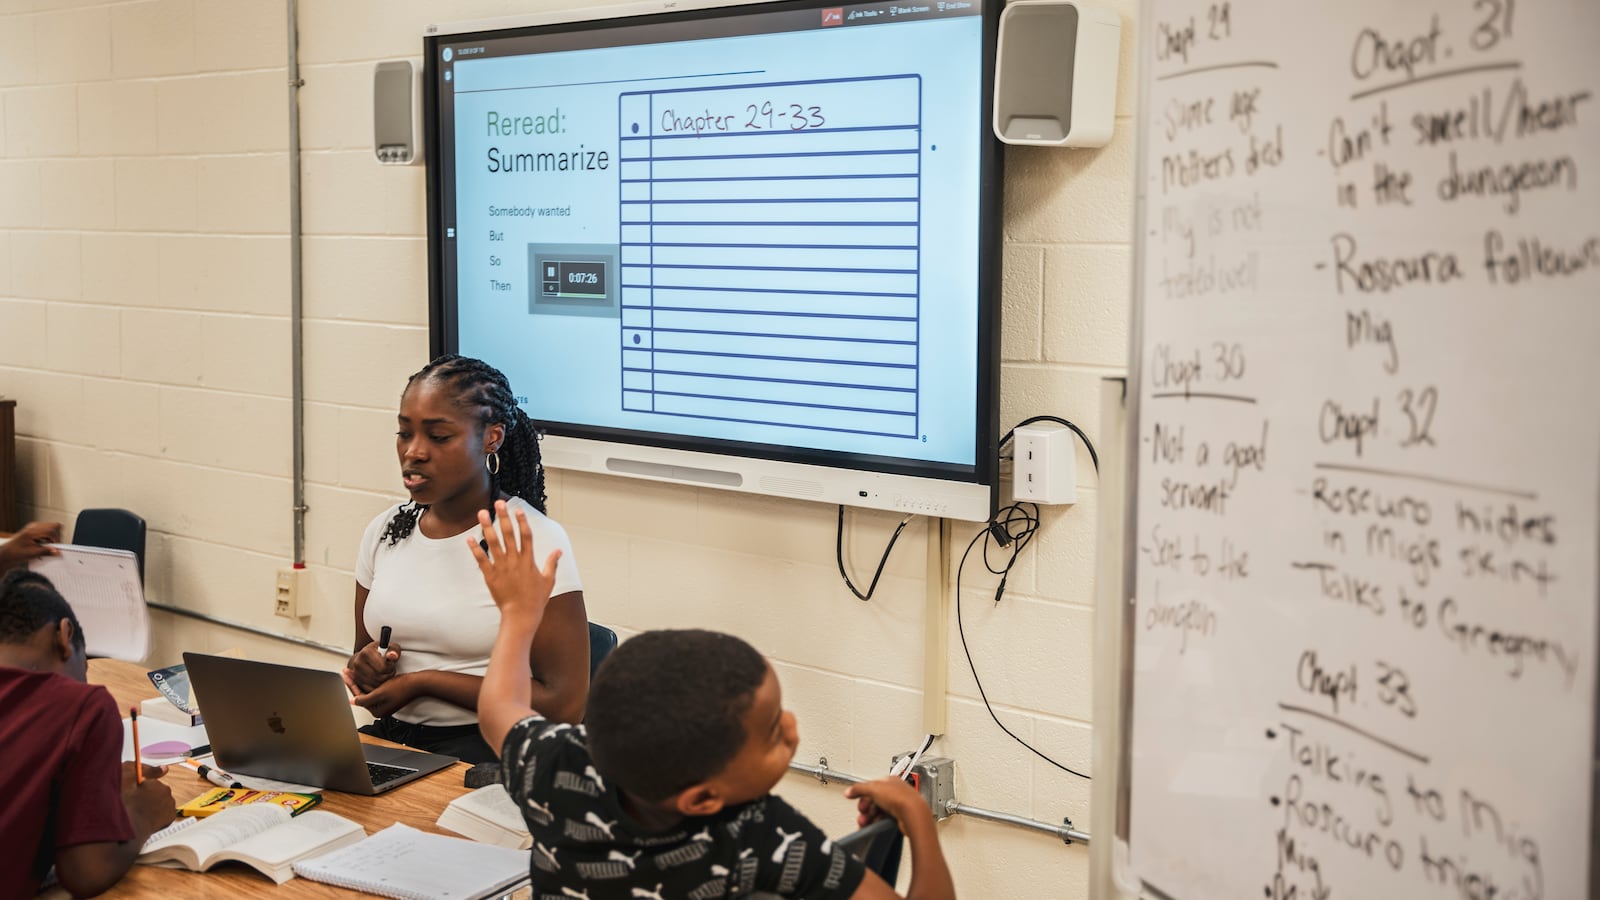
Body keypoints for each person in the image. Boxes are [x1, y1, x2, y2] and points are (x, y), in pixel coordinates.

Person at [471, 500, 957, 899]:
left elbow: (500, 710)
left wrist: (518, 614)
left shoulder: (556, 767)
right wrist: (917, 819)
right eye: (771, 734)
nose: (791, 727)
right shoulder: (759, 836)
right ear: (702, 798)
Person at [344, 355, 588, 764]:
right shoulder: (387, 529)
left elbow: (562, 706)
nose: (414, 452)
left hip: (488, 751)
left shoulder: (533, 539)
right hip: (394, 741)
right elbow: (361, 653)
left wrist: (424, 683)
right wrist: (366, 667)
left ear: (492, 438)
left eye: (438, 437)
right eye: (404, 433)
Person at [0, 569, 173, 897]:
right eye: (85, 667)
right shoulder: (82, 706)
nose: (84, 680)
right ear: (65, 637)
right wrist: (143, 813)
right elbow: (85, 872)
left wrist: (93, 793)